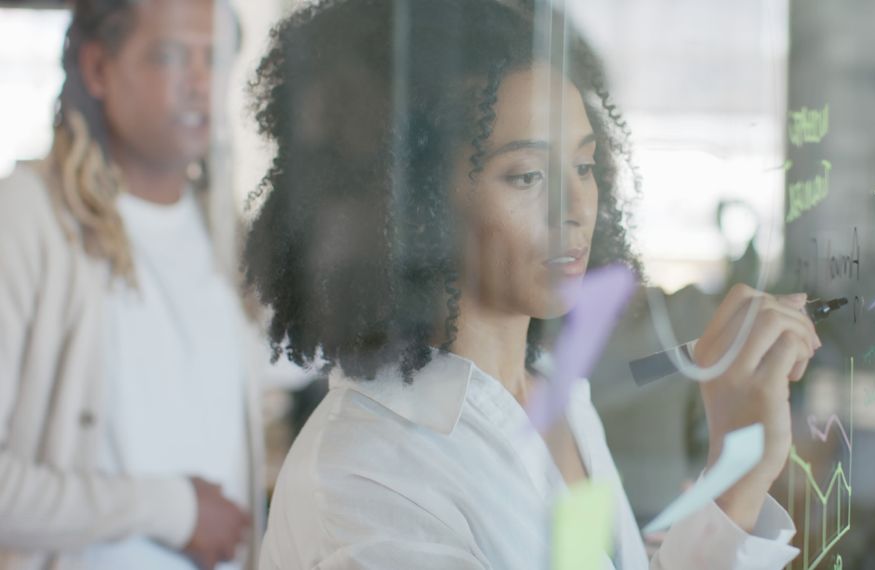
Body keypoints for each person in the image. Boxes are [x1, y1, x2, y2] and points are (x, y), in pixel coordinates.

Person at [246, 0, 820, 568]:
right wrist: (734, 481)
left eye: (585, 167)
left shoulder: (556, 396)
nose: (575, 209)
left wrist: (738, 473)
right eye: (526, 175)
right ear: (414, 205)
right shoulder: (363, 476)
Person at [0, 1, 265, 568]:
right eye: (171, 56)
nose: (201, 83)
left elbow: (298, 357)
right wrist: (175, 510)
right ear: (98, 69)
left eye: (214, 58)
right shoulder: (28, 219)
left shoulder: (224, 234)